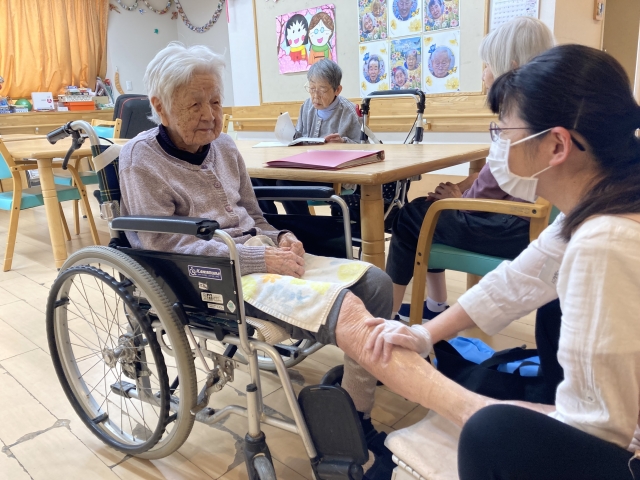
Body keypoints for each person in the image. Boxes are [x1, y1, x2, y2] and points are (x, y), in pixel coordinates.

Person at [345, 43, 640, 479]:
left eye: (503, 129)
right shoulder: (599, 207)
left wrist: (449, 397)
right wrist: (425, 333)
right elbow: (519, 279)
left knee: (490, 429)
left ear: (557, 144)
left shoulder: (606, 242)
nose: (498, 139)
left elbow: (596, 430)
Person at [119, 43, 394, 471]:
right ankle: (345, 426)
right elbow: (162, 245)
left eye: (215, 102)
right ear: (160, 106)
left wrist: (282, 237)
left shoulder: (225, 146)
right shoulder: (141, 159)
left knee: (375, 284)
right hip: (210, 278)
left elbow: (255, 216)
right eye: (195, 104)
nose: (210, 115)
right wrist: (255, 260)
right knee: (347, 309)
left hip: (258, 257)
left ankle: (354, 411)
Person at [387, 16, 554, 323]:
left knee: (412, 216)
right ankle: (435, 305)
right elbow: (495, 178)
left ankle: (388, 313)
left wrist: (456, 198)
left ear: (511, 69)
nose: (483, 74)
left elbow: (481, 196)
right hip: (526, 223)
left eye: (487, 65)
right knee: (431, 211)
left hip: (510, 229)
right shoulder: (544, 111)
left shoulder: (517, 120)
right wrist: (462, 189)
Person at [253, 59, 361, 215]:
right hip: (302, 170)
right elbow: (300, 138)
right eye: (311, 88)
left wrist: (344, 142)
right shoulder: (306, 106)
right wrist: (289, 135)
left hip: (332, 176)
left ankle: (302, 225)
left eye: (322, 90)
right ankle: (271, 224)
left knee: (285, 183)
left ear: (337, 90)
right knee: (257, 180)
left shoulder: (349, 112)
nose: (315, 96)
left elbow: (363, 148)